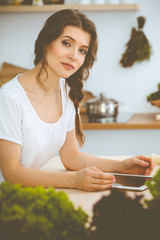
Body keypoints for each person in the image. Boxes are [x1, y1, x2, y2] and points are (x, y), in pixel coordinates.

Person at [0, 9, 153, 192]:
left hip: (27, 193)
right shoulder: (10, 97)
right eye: (66, 43)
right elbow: (11, 173)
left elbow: (71, 156)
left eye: (82, 50)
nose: (74, 56)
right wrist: (73, 180)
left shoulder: (65, 91)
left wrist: (122, 166)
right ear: (45, 43)